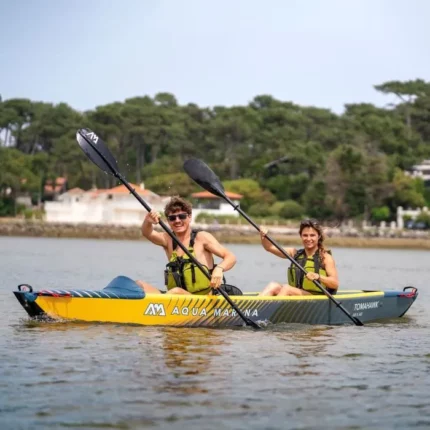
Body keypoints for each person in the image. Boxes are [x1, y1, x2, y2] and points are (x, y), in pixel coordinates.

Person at [136, 196, 237, 295]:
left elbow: (230, 257)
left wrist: (219, 269)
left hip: (203, 298)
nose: (177, 220)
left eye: (182, 216)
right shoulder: (167, 239)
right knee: (138, 285)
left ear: (189, 217)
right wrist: (148, 221)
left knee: (176, 291)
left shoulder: (201, 237)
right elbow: (147, 233)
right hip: (177, 298)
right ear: (168, 221)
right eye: (172, 218)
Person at [258, 218, 339, 296]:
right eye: (305, 235)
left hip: (315, 298)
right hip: (296, 294)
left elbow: (335, 283)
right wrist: (263, 235)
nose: (308, 239)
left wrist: (318, 277)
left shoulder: (326, 258)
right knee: (273, 286)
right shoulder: (294, 253)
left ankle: (275, 305)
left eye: (312, 235)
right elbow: (269, 247)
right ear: (301, 236)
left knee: (287, 289)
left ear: (319, 236)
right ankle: (256, 305)